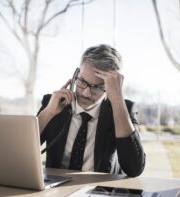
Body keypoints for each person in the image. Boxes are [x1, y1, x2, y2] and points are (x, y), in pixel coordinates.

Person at [37, 44, 145, 177]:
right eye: (82, 81)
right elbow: (21, 150)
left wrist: (117, 101)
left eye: (98, 87)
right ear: (76, 74)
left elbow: (134, 169)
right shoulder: (52, 103)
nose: (86, 93)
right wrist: (48, 113)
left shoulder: (123, 109)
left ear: (111, 86)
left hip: (99, 193)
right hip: (56, 191)